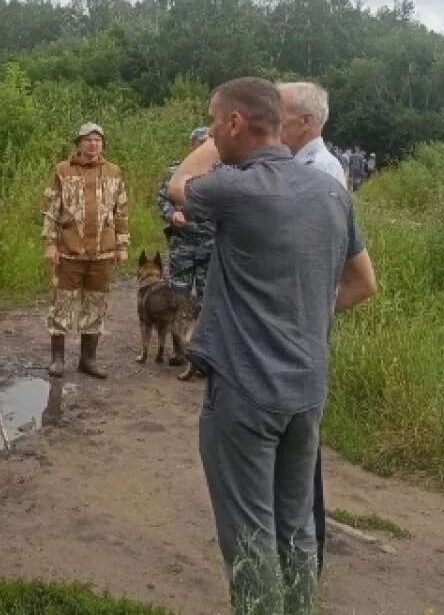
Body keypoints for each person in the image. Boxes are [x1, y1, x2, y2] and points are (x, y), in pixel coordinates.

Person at [169, 77, 377, 614]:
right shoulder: (333, 191)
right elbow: (362, 284)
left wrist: (222, 135)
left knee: (249, 534)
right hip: (307, 390)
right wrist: (298, 310)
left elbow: (180, 182)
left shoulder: (237, 189)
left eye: (216, 121)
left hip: (244, 390)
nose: (212, 131)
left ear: (235, 124)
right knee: (297, 525)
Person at [278, 80, 347, 579]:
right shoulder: (300, 165)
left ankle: (310, 553)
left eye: (277, 115)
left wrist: (309, 313)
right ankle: (295, 546)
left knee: (303, 449)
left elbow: (338, 267)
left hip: (299, 331)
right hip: (295, 326)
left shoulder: (320, 172)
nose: (270, 123)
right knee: (291, 443)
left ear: (306, 121)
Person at [41, 122, 130, 379]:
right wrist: (50, 243)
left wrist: (122, 245)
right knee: (62, 304)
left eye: (98, 140)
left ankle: (88, 359)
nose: (93, 145)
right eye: (88, 140)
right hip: (70, 251)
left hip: (102, 253)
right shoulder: (63, 170)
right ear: (79, 143)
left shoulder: (114, 172)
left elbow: (121, 211)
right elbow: (51, 209)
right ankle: (57, 359)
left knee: (96, 304)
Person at [157, 126, 216, 309]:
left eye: (207, 143)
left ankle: (204, 336)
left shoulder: (221, 172)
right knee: (178, 295)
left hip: (211, 242)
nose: (203, 148)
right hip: (183, 241)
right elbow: (162, 200)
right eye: (200, 143)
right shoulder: (176, 171)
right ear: (191, 145)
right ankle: (179, 336)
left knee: (208, 296)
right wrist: (172, 214)